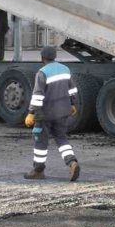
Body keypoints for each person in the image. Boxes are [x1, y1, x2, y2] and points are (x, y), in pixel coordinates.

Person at [23, 46, 80, 181]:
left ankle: (38, 170)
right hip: (63, 112)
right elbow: (73, 90)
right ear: (54, 56)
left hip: (45, 114)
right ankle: (72, 162)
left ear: (42, 58)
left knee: (40, 141)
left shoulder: (42, 72)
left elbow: (38, 95)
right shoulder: (65, 69)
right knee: (61, 138)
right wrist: (73, 104)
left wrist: (31, 112)